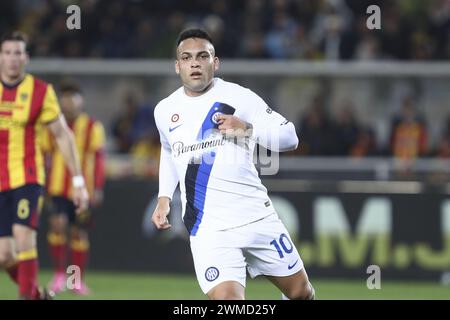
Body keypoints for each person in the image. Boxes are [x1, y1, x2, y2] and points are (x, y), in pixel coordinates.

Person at [151, 28, 315, 300]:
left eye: (203, 56)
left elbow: (291, 138)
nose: (195, 63)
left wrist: (248, 129)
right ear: (177, 65)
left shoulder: (240, 98)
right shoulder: (164, 110)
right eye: (187, 57)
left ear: (215, 63)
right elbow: (168, 151)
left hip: (255, 216)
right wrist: (164, 197)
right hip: (209, 227)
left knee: (301, 293)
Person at [0, 31, 89, 300]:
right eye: (7, 53)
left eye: (18, 53)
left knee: (23, 237)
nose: (13, 59)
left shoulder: (41, 91)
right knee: (4, 256)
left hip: (27, 177)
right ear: (1, 57)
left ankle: (27, 297)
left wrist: (78, 182)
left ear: (26, 58)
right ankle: (38, 295)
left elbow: (62, 135)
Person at [41, 81, 105, 295]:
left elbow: (99, 158)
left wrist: (97, 187)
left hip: (82, 190)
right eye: (65, 99)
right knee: (57, 226)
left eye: (73, 99)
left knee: (79, 233)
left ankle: (75, 280)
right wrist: (44, 183)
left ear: (81, 101)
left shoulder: (92, 127)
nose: (69, 104)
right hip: (58, 187)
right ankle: (60, 275)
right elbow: (44, 156)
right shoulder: (52, 126)